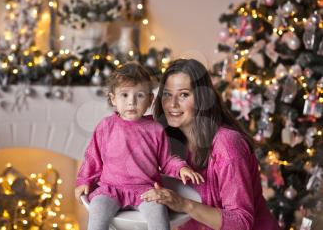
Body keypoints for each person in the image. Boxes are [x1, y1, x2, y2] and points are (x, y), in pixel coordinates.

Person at [141, 59, 280, 230]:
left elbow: (241, 222)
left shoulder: (227, 145)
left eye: (184, 94)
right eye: (168, 94)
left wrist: (185, 205)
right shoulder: (169, 142)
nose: (172, 104)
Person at [75, 62, 204, 230]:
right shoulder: (105, 126)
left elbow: (166, 160)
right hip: (110, 188)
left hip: (146, 190)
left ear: (150, 99)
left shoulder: (155, 129)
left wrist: (181, 168)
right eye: (125, 95)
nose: (132, 102)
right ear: (113, 99)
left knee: (159, 216)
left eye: (140, 95)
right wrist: (84, 180)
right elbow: (93, 157)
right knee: (97, 212)